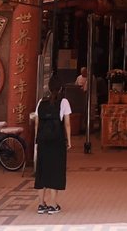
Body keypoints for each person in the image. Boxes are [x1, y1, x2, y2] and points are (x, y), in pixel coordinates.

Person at [31, 73, 72, 215]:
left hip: (42, 141)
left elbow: (37, 122)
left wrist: (37, 140)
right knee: (55, 171)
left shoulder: (41, 102)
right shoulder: (64, 102)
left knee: (42, 171)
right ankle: (53, 205)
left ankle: (41, 205)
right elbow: (67, 123)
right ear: (61, 88)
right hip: (57, 142)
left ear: (49, 88)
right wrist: (69, 141)